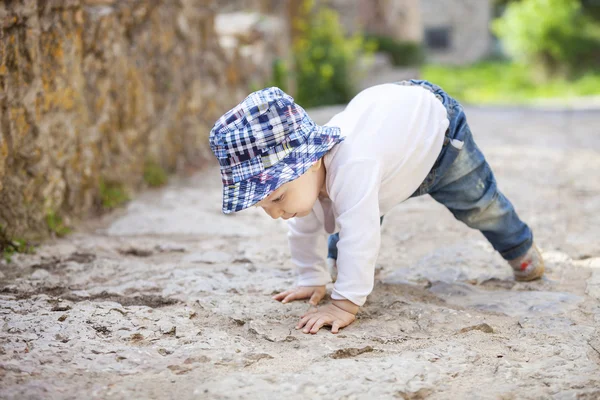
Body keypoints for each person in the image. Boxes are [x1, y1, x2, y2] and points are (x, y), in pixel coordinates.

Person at [208, 80, 545, 335]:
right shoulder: (307, 180)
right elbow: (303, 227)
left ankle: (519, 246)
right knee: (339, 231)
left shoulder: (354, 165)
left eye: (277, 198)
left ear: (310, 162)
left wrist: (343, 305)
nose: (275, 213)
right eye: (264, 205)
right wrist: (312, 277)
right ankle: (338, 271)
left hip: (438, 142)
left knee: (479, 205)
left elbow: (361, 235)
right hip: (389, 158)